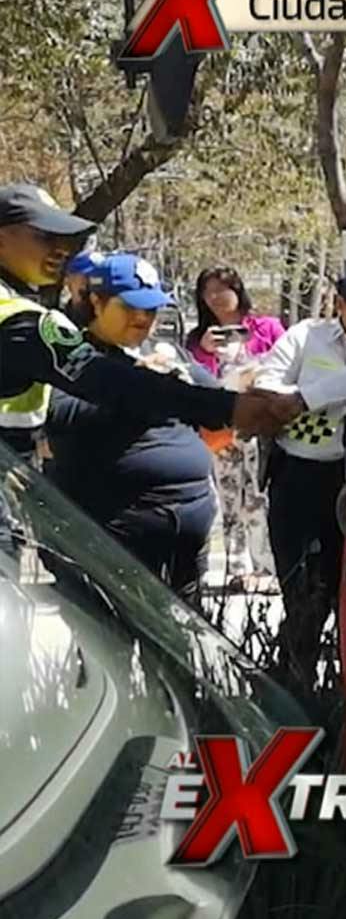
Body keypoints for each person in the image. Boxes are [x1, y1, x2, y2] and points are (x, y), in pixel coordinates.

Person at [0, 184, 299, 460]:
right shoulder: (17, 320)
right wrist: (227, 407)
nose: (61, 249)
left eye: (65, 239)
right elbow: (106, 381)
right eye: (44, 236)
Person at [43, 255, 222, 611]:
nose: (143, 318)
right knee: (113, 644)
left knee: (186, 649)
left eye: (151, 309)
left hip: (186, 530)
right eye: (130, 308)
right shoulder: (71, 354)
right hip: (113, 533)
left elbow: (217, 408)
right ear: (96, 301)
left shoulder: (167, 354)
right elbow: (59, 415)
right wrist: (134, 384)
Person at [253, 267, 346, 694]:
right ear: (339, 304)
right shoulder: (306, 337)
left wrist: (308, 398)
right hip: (299, 480)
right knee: (304, 593)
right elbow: (267, 384)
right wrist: (286, 400)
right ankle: (293, 687)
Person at [187, 265, 286, 594]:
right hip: (222, 430)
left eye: (221, 290)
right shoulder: (200, 338)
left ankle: (267, 567)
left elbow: (286, 366)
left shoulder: (266, 327)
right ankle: (236, 567)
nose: (215, 298)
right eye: (207, 292)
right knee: (229, 498)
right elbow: (192, 384)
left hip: (261, 425)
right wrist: (204, 351)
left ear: (238, 290)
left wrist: (255, 368)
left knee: (258, 496)